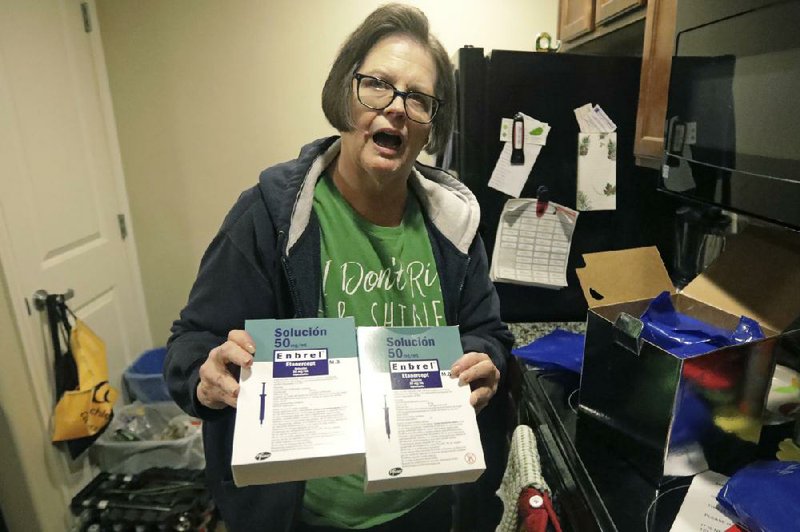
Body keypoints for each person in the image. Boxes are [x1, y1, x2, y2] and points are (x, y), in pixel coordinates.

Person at [164, 4, 514, 531]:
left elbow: (487, 332)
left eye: (418, 98)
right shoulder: (270, 216)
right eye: (378, 84)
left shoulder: (454, 224)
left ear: (429, 127)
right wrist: (204, 376)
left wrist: (485, 360)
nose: (396, 108)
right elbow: (190, 344)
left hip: (430, 508)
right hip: (305, 518)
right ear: (345, 96)